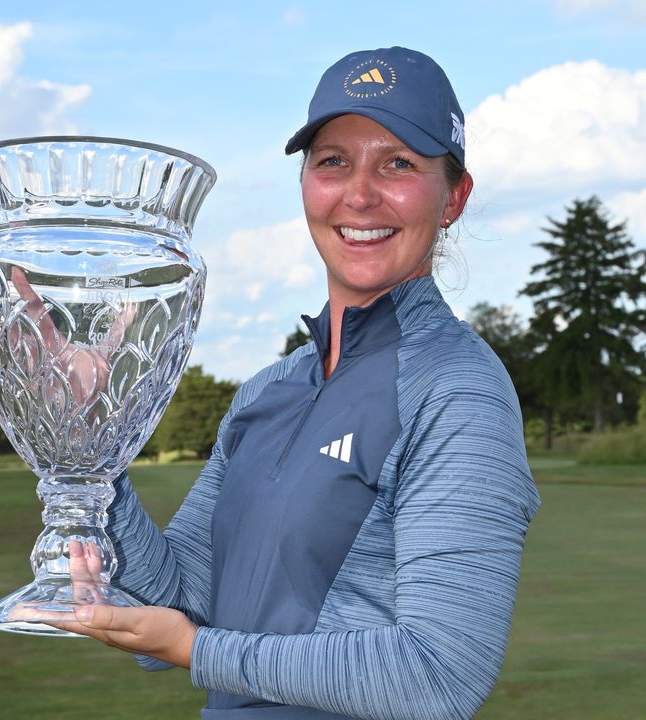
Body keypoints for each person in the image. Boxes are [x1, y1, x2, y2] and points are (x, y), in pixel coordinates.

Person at [52, 46, 541, 720]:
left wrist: (200, 652)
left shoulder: (459, 392)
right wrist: (91, 436)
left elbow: (440, 674)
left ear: (453, 196)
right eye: (333, 161)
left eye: (398, 163)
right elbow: (171, 606)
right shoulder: (265, 392)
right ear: (306, 182)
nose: (359, 192)